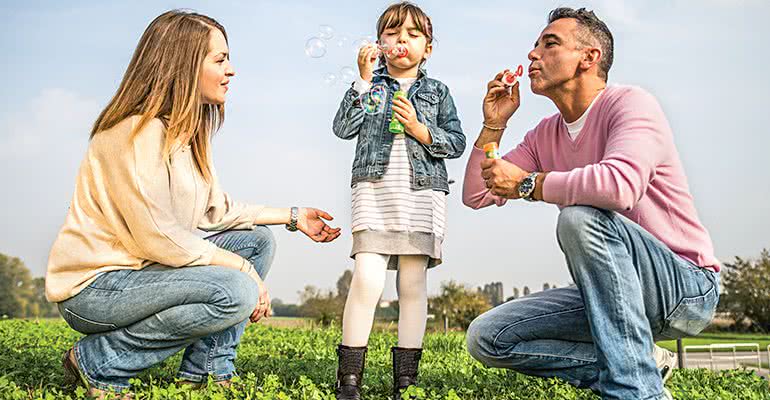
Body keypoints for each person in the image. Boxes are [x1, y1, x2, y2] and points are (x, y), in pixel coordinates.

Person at [46, 10, 340, 396]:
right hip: (97, 287)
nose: (231, 70)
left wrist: (293, 216)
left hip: (141, 271)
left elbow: (215, 209)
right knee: (235, 290)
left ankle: (206, 369)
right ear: (182, 64)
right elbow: (158, 237)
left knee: (257, 242)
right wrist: (243, 272)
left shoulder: (183, 133)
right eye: (220, 59)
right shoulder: (134, 132)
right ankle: (98, 360)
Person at [462, 7, 719, 400]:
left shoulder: (631, 104)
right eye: (534, 46)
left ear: (589, 57)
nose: (533, 54)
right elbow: (477, 193)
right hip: (611, 294)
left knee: (580, 218)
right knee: (488, 337)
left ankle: (637, 391)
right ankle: (642, 361)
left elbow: (619, 187)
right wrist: (494, 124)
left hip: (684, 287)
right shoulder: (544, 134)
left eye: (549, 44)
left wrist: (530, 184)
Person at [330, 2, 465, 399]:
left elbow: (455, 141)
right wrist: (363, 80)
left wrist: (422, 131)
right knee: (367, 280)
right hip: (374, 191)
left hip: (422, 195)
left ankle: (406, 380)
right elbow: (342, 128)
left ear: (428, 48)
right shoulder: (372, 86)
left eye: (412, 34)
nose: (401, 40)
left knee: (412, 283)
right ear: (378, 43)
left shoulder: (438, 92)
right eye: (391, 33)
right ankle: (349, 379)